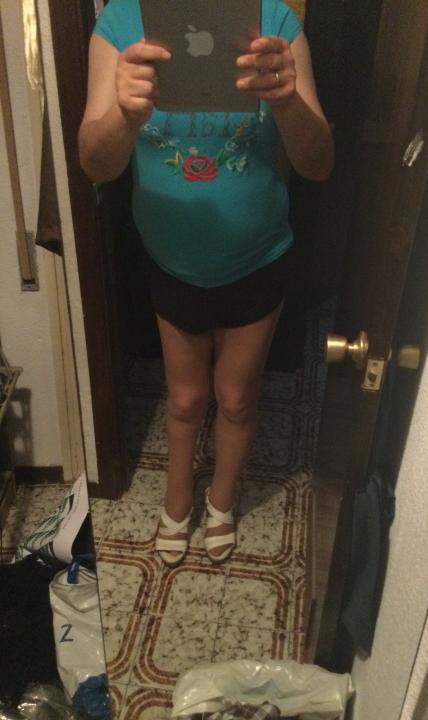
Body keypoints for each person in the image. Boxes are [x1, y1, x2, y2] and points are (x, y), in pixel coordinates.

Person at [79, 0, 334, 566]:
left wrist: (287, 101)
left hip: (258, 256)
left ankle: (220, 502)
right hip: (171, 261)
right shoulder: (118, 24)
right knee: (185, 399)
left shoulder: (276, 21)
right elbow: (96, 164)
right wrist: (125, 114)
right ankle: (176, 501)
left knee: (237, 399)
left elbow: (318, 164)